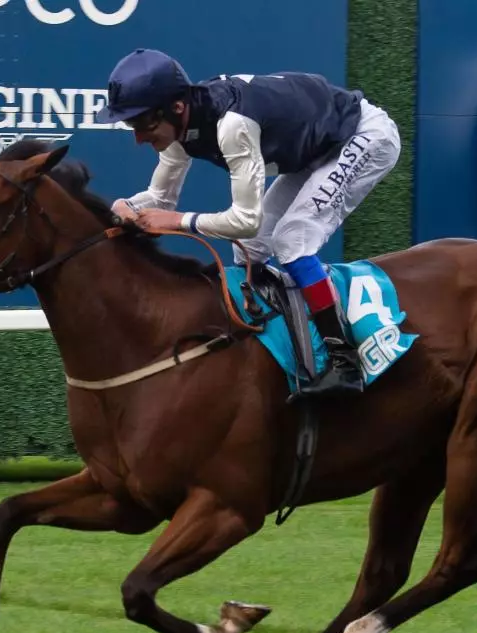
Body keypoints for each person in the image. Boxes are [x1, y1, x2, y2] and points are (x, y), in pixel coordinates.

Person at [95, 48, 401, 397]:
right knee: (251, 253)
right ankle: (282, 345)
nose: (137, 138)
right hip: (314, 150)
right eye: (130, 125)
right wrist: (124, 206)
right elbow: (160, 199)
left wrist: (180, 222)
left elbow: (246, 220)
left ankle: (344, 362)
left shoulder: (232, 125)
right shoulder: (180, 125)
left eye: (142, 123)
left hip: (362, 136)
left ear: (176, 107)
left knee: (291, 239)